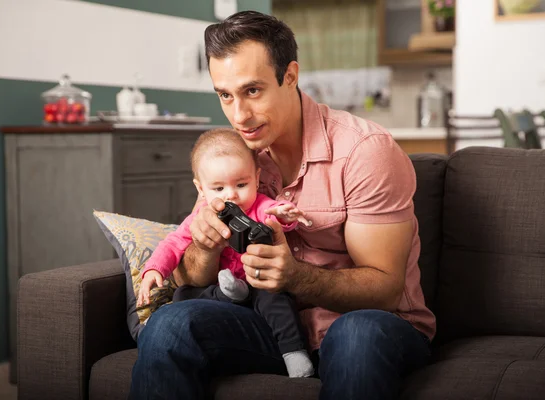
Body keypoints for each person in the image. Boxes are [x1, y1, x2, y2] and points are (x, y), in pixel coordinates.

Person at [130, 10, 436, 400]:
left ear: (290, 76)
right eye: (225, 95)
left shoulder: (364, 152)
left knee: (356, 333)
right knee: (170, 322)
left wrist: (294, 276)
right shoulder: (236, 158)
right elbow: (192, 276)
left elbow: (386, 290)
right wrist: (204, 247)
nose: (239, 115)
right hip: (271, 324)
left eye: (252, 91)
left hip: (370, 325)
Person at [136, 128, 314, 378]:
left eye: (242, 184)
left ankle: (293, 352)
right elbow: (173, 243)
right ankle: (229, 294)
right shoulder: (200, 217)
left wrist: (286, 214)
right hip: (219, 291)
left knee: (278, 299)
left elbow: (275, 212)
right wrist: (154, 269)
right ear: (201, 188)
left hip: (257, 283)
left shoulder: (259, 205)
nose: (231, 195)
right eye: (218, 188)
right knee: (182, 295)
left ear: (256, 176)